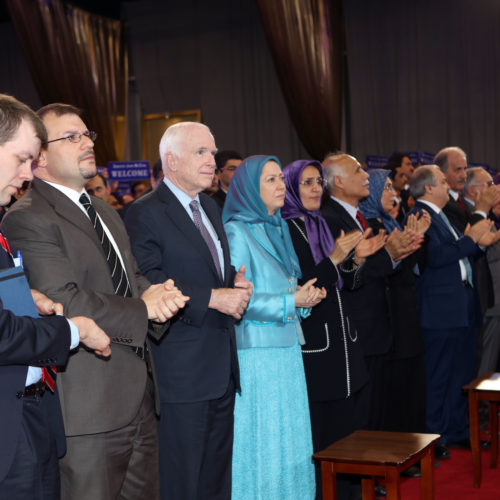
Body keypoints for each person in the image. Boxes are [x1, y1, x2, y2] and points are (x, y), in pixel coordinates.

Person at [3, 103, 188, 500]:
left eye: (87, 134)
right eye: (71, 137)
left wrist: (161, 298)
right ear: (40, 159)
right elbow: (64, 299)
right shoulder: (27, 217)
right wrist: (144, 308)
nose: (86, 142)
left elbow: (131, 276)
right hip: (87, 408)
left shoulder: (103, 209)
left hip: (139, 398)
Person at [124, 121, 252, 500]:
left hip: (221, 365)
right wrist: (214, 297)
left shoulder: (210, 206)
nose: (212, 160)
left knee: (215, 480)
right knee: (183, 481)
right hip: (181, 371)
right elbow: (148, 279)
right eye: (202, 153)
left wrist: (233, 283)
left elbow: (207, 270)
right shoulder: (144, 212)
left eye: (213, 152)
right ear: (172, 161)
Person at [0, 94, 111, 499]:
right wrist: (71, 331)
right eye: (22, 158)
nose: (29, 174)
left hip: (31, 416)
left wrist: (27, 298)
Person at [282, 159, 390, 499]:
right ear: (290, 189)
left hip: (345, 341)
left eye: (318, 182)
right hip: (318, 347)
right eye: (307, 183)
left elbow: (346, 283)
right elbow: (305, 286)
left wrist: (357, 260)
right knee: (327, 436)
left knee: (352, 431)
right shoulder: (288, 230)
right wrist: (334, 259)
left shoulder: (320, 224)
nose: (316, 189)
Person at [223, 155, 325, 500]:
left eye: (281, 178)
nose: (281, 185)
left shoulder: (277, 226)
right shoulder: (237, 230)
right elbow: (239, 300)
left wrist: (303, 300)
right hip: (257, 354)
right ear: (250, 187)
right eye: (270, 180)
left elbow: (285, 291)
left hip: (286, 350)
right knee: (265, 441)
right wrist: (290, 302)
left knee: (290, 439)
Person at [407, 165, 500, 458]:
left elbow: (458, 251)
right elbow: (435, 257)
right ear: (429, 188)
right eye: (444, 181)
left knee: (461, 372)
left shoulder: (441, 215)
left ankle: (458, 431)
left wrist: (476, 244)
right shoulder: (418, 216)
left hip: (460, 304)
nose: (449, 185)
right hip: (440, 309)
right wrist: (471, 241)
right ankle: (435, 437)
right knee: (439, 375)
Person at [359, 169, 428, 456]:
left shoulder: (392, 222)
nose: (394, 193)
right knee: (387, 399)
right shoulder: (369, 228)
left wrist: (411, 240)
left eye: (392, 187)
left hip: (405, 316)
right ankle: (388, 458)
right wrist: (397, 248)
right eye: (386, 187)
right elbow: (381, 272)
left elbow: (415, 269)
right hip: (386, 320)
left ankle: (408, 452)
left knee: (408, 393)